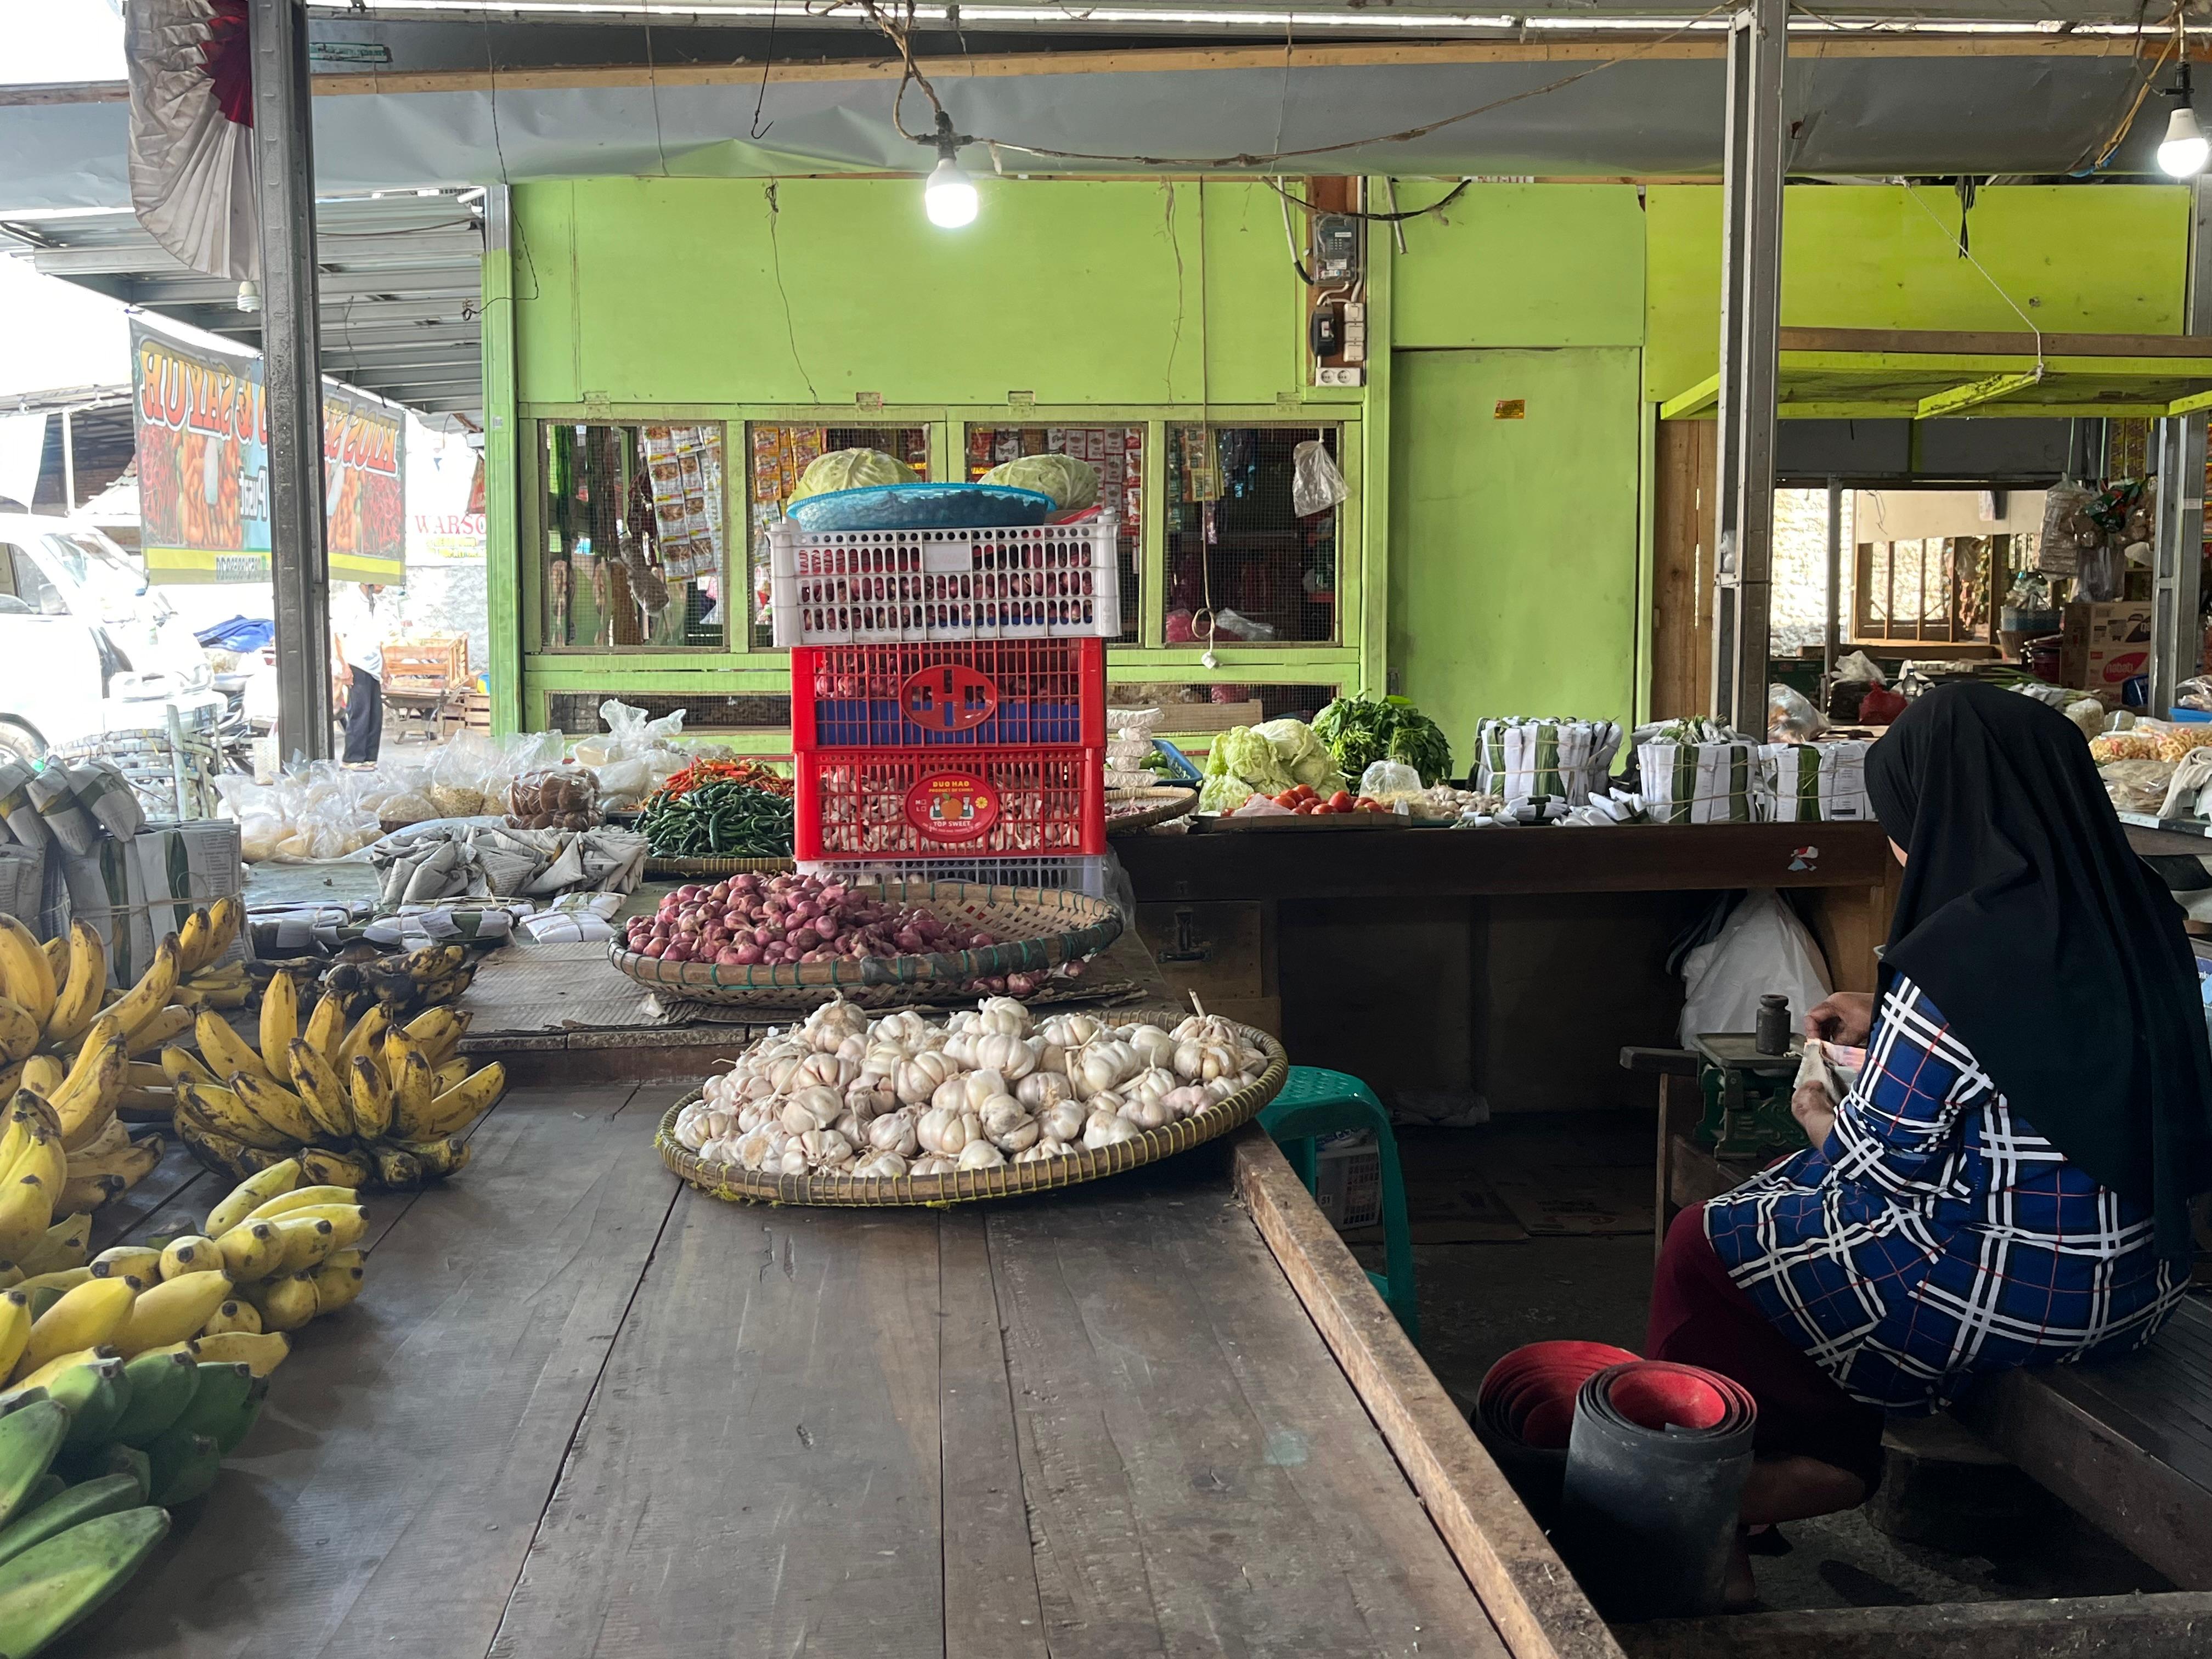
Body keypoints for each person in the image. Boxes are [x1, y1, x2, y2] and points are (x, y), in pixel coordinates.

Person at [1646, 681, 2212, 1605]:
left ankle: (1768, 1484)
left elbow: (1870, 1165)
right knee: (1792, 1221)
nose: (1903, 847)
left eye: (1902, 821)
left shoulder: (1959, 956)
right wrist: (1891, 1022)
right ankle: (1751, 1500)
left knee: (1707, 1239)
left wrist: (1821, 1106)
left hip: (2020, 1294)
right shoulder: (2139, 915)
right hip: (2145, 1281)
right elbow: (2057, 1063)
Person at [331, 583, 386, 766]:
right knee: (360, 713)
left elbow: (378, 640)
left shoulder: (375, 603)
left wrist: (384, 666)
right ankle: (353, 758)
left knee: (375, 715)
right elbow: (339, 636)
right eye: (380, 580)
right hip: (357, 663)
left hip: (374, 666)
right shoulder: (351, 601)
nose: (383, 585)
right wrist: (345, 666)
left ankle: (370, 758)